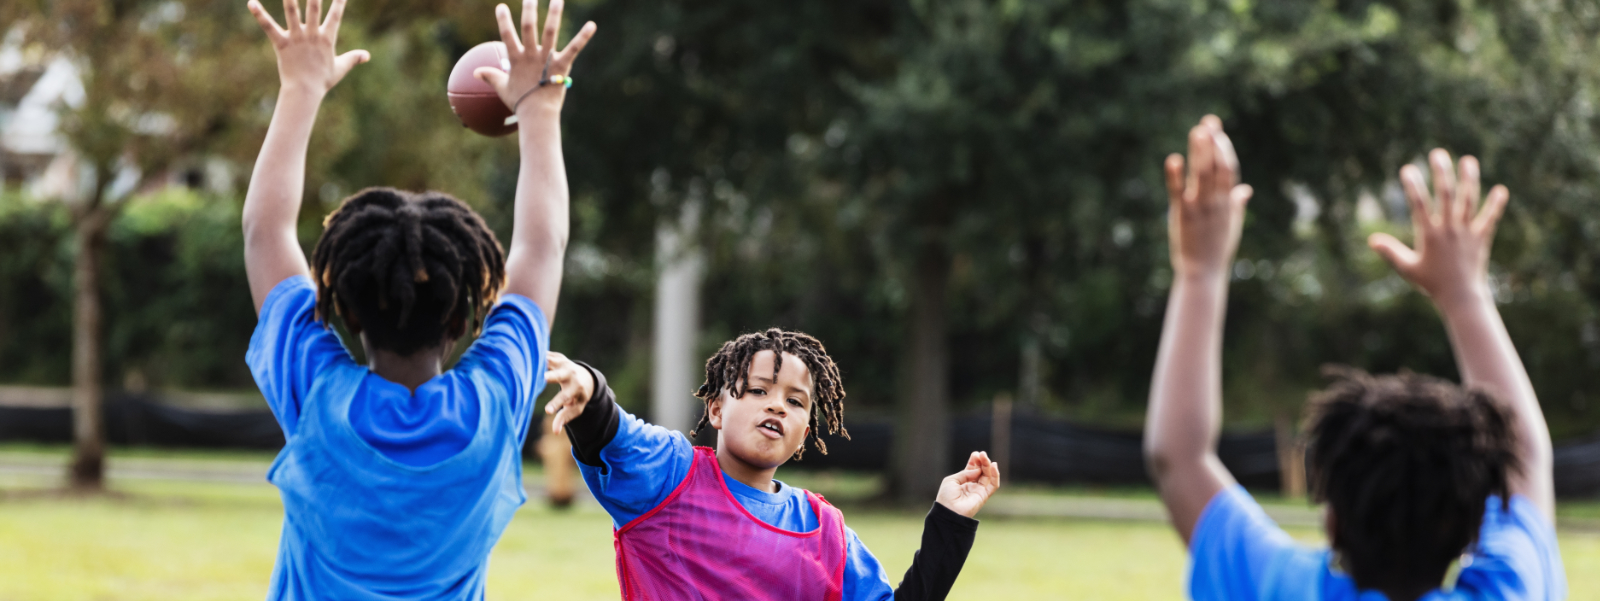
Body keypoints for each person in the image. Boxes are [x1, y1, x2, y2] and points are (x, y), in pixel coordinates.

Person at [240, 0, 594, 597]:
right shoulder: (493, 402)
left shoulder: (316, 396)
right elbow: (542, 247)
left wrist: (300, 87)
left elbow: (265, 232)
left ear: (343, 308)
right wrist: (541, 110)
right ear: (466, 315)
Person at [1143, 116, 1567, 600]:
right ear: (1471, 530)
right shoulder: (1511, 591)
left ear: (1333, 520)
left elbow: (1177, 455)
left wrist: (1200, 272)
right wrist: (1465, 295)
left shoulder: (1283, 589)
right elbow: (1527, 458)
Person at [540, 329, 1002, 600]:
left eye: (795, 401)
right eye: (759, 390)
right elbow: (613, 432)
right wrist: (590, 390)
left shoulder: (826, 532)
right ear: (717, 410)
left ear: (804, 433)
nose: (777, 406)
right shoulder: (670, 476)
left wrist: (949, 523)